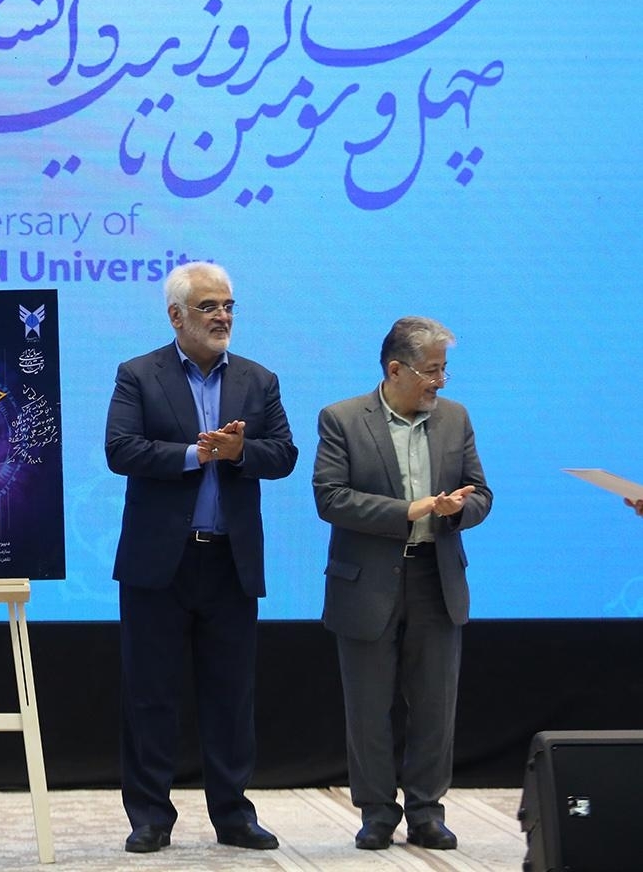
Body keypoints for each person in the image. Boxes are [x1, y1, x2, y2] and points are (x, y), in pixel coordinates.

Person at [104, 261, 297, 854]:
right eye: (209, 306)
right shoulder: (139, 374)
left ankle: (233, 815)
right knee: (150, 695)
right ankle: (150, 817)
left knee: (230, 696)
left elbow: (284, 454)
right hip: (159, 564)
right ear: (176, 315)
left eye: (228, 305)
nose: (222, 316)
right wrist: (196, 454)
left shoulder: (259, 380)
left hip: (229, 563)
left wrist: (239, 453)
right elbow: (121, 450)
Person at [313, 316, 492, 851]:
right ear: (396, 370)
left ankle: (426, 811)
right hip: (365, 583)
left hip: (436, 577)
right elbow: (331, 498)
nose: (440, 381)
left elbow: (481, 493)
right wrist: (409, 510)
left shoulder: (455, 418)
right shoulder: (343, 419)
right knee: (368, 708)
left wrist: (458, 511)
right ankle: (376, 812)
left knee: (435, 706)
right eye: (431, 370)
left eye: (443, 369)